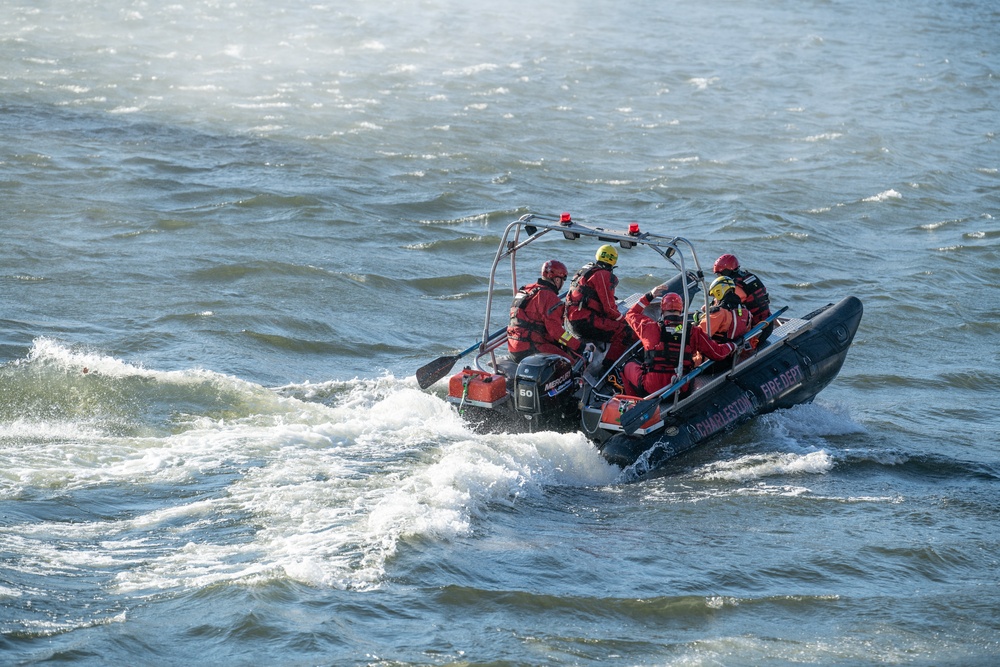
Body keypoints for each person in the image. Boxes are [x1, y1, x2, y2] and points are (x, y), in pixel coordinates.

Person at [622, 290, 738, 397]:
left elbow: (630, 314)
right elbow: (717, 353)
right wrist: (732, 345)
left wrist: (650, 296)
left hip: (651, 388)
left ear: (662, 310)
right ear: (681, 310)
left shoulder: (649, 327)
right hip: (681, 389)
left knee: (628, 365)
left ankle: (634, 399)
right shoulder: (693, 331)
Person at [507, 260, 592, 363]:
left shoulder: (525, 290)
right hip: (532, 348)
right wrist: (580, 346)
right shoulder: (549, 297)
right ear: (557, 280)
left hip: (513, 346)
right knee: (570, 364)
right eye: (562, 280)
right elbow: (556, 332)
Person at [564, 244, 635, 362]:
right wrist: (625, 321)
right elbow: (609, 309)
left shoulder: (584, 271)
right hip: (585, 322)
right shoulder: (604, 275)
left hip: (570, 321)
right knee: (626, 332)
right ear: (614, 260)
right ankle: (609, 369)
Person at [713, 253, 773, 343]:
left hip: (755, 333)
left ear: (727, 271)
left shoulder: (734, 287)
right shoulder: (750, 277)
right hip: (768, 323)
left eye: (721, 274)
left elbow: (721, 311)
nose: (720, 277)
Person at [696, 276, 753, 347]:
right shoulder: (746, 313)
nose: (714, 300)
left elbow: (699, 336)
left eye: (714, 296)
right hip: (733, 352)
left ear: (718, 292)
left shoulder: (719, 313)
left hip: (712, 354)